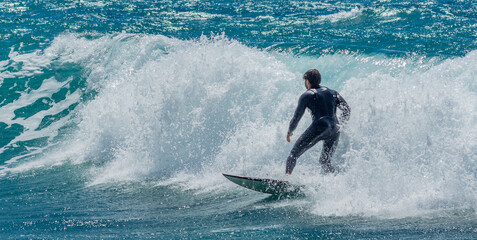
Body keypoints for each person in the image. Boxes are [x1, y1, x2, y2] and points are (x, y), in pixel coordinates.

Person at [284, 69, 350, 177]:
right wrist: (341, 125)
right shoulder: (333, 92)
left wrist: (290, 131)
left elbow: (296, 117)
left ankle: (285, 178)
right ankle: (336, 180)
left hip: (320, 126)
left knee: (294, 154)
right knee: (325, 162)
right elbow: (347, 110)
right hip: (335, 129)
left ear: (308, 81)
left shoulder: (307, 95)